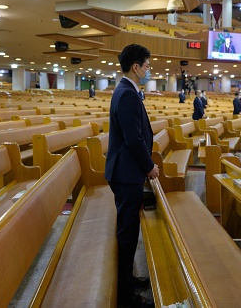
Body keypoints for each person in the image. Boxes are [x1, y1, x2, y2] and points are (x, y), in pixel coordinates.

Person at [104, 44, 156, 308]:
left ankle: (128, 279)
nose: (148, 70)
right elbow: (133, 139)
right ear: (136, 67)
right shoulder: (126, 94)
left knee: (129, 229)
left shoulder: (128, 91)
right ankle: (125, 295)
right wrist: (149, 167)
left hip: (127, 171)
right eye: (147, 66)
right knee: (127, 232)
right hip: (126, 174)